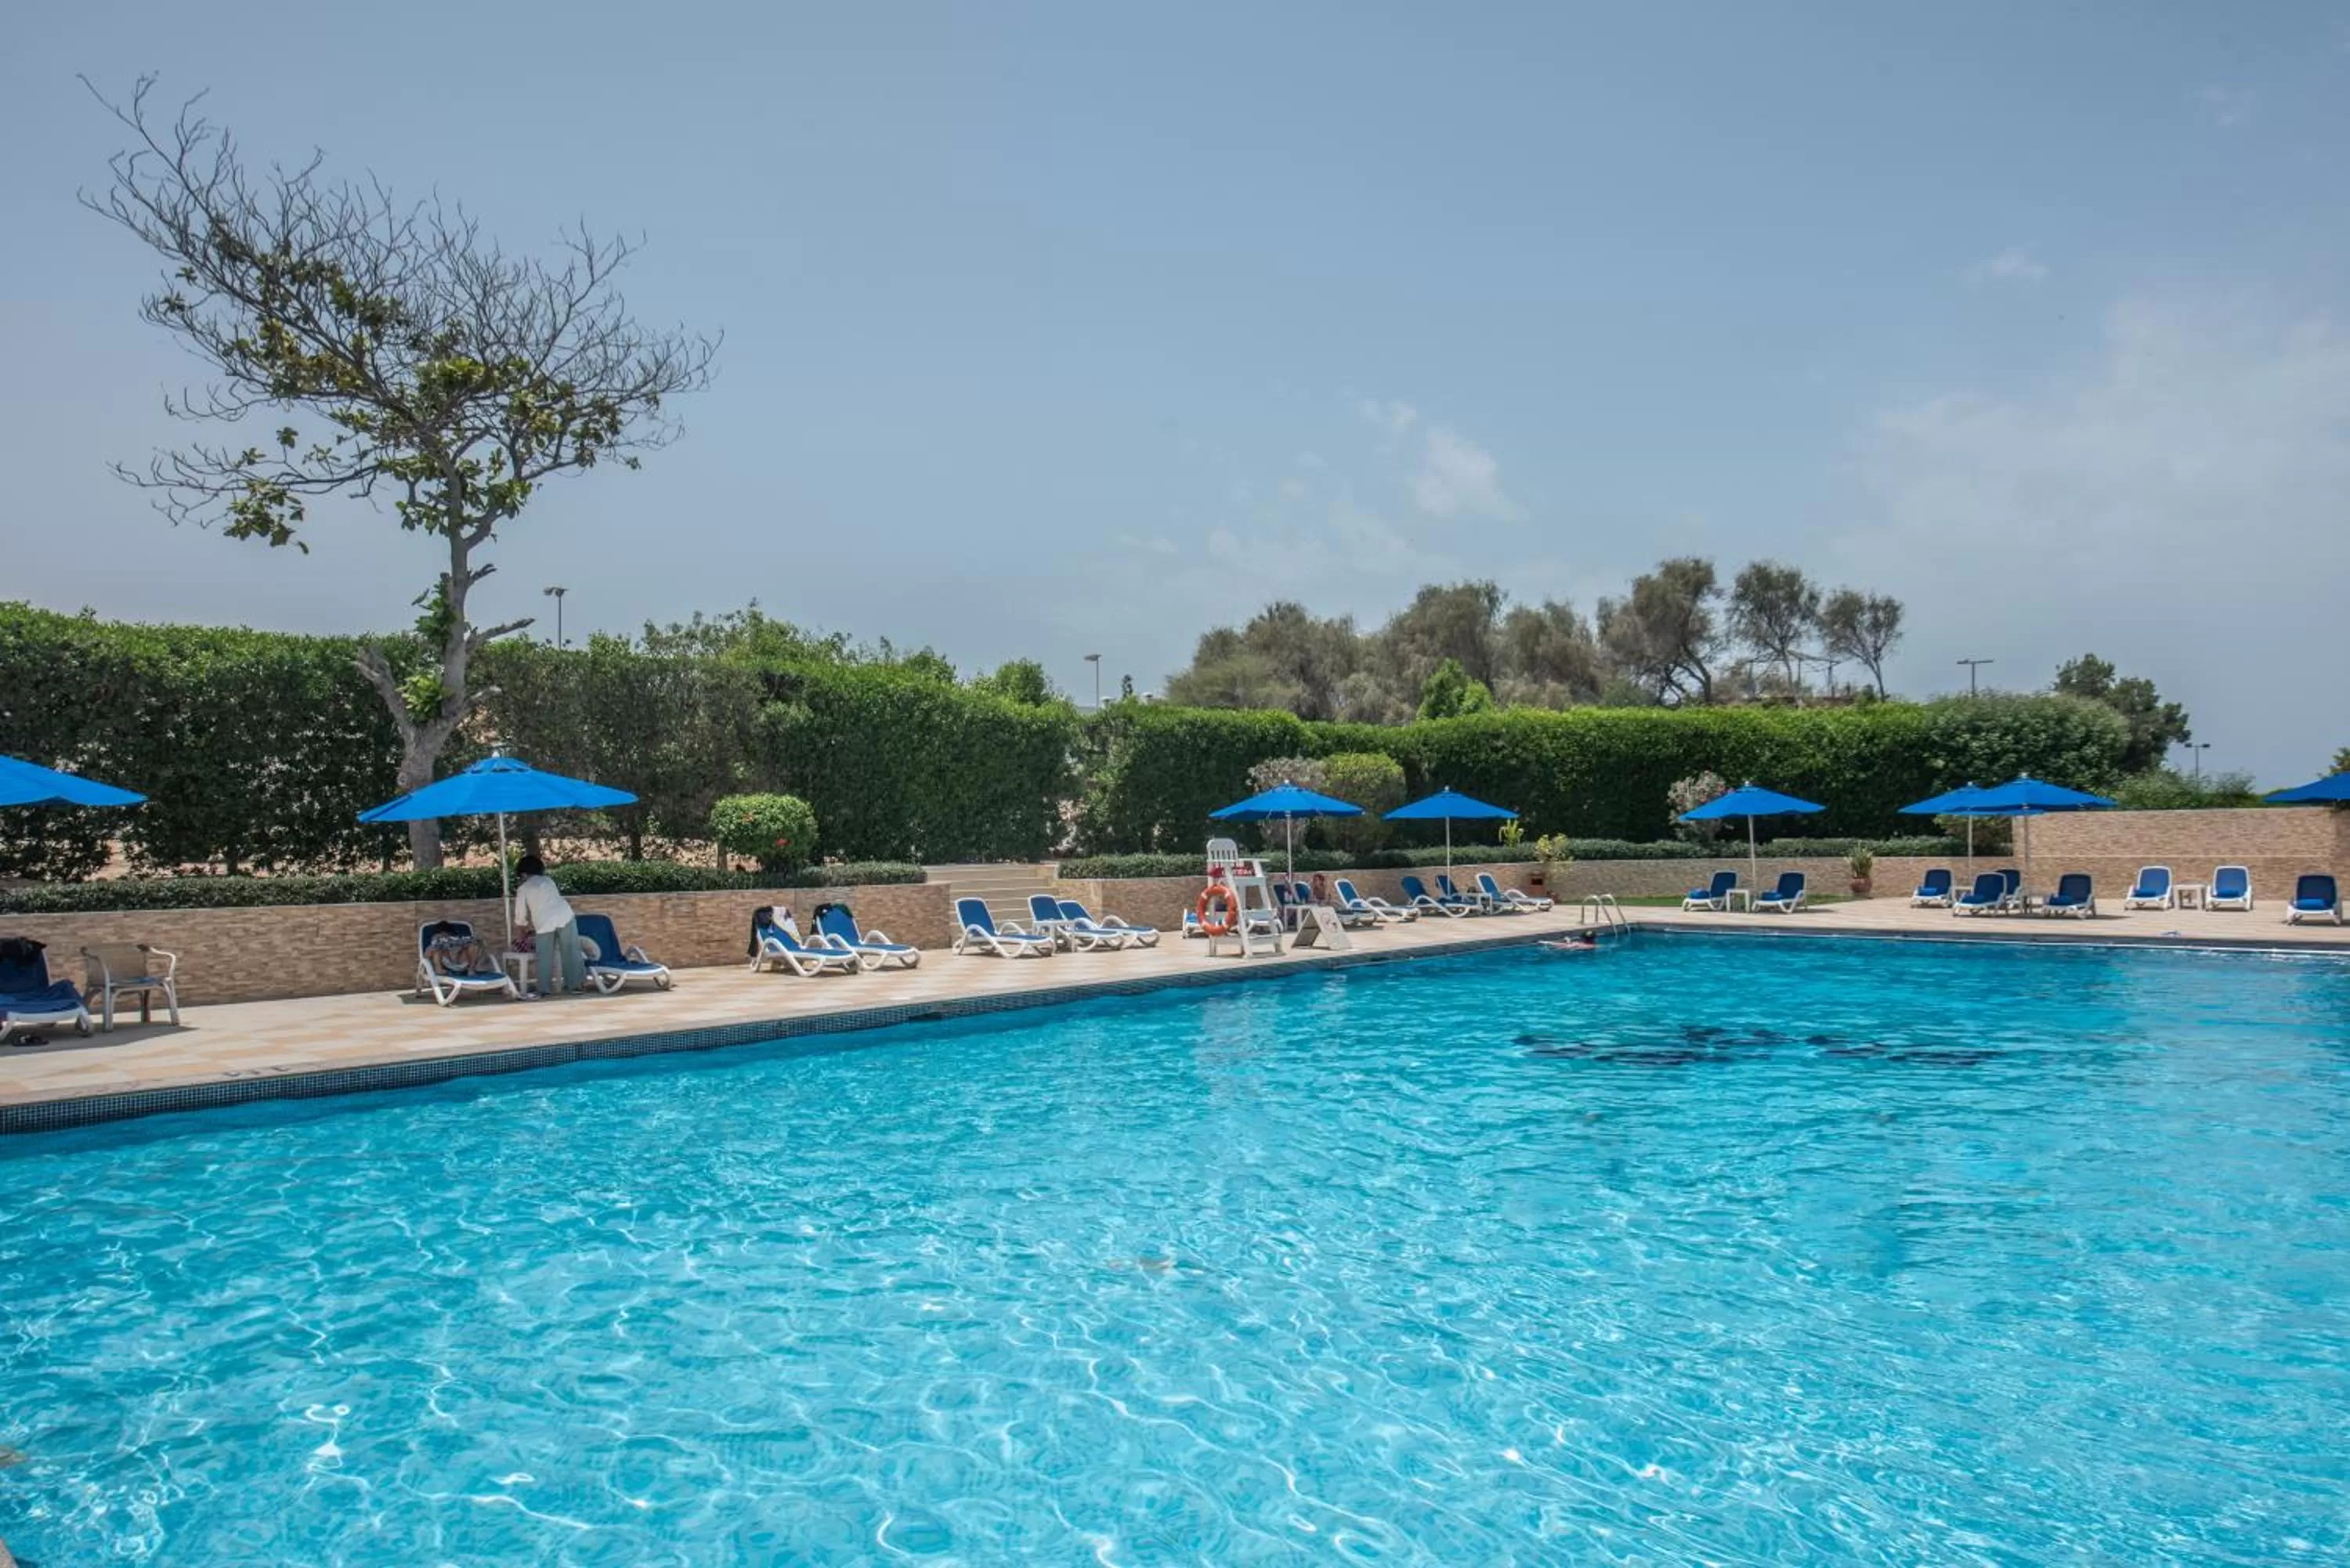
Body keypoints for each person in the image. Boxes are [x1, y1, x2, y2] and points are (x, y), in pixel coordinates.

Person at [512, 854, 587, 998]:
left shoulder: (524, 888)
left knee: (544, 956)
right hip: (565, 916)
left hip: (544, 923)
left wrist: (521, 932)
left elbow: (520, 914)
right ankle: (576, 986)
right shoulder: (548, 881)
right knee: (571, 951)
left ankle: (543, 989)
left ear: (523, 873)